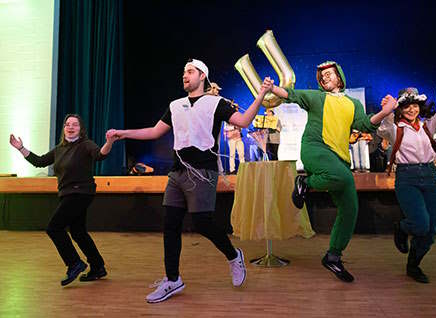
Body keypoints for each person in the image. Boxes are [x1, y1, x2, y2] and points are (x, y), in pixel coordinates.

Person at [107, 59, 271, 303]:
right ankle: (173, 279)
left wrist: (260, 95)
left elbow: (244, 121)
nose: (185, 75)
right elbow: (154, 132)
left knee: (202, 223)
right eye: (183, 71)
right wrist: (123, 133)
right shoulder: (175, 105)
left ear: (202, 76)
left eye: (190, 71)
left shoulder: (217, 103)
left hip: (203, 171)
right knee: (170, 224)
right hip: (177, 172)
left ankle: (233, 255)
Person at [265, 61, 395, 282]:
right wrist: (271, 88)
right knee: (342, 177)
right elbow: (292, 95)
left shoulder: (354, 103)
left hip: (339, 159)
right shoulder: (317, 97)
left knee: (350, 209)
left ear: (340, 77)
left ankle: (333, 256)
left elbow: (364, 125)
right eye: (322, 75)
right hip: (315, 149)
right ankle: (305, 183)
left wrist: (384, 111)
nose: (324, 77)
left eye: (329, 74)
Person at [9, 114, 117, 286]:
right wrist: (21, 148)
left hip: (80, 193)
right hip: (68, 194)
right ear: (64, 128)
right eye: (68, 124)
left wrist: (109, 142)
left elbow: (100, 155)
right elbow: (40, 161)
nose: (71, 127)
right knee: (78, 232)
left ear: (81, 129)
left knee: (54, 228)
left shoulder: (85, 145)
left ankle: (74, 263)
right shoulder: (60, 148)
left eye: (75, 124)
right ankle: (97, 267)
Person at [377, 76, 436, 283]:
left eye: (415, 106)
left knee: (431, 231)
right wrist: (386, 110)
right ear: (400, 110)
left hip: (430, 176)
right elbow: (384, 129)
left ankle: (413, 266)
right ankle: (401, 227)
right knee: (420, 224)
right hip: (407, 178)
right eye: (406, 107)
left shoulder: (428, 126)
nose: (412, 110)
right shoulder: (396, 129)